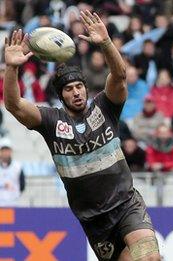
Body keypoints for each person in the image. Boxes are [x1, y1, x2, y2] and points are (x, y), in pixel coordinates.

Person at [3, 11, 161, 261]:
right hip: (94, 219)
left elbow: (119, 76)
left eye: (79, 87)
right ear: (61, 95)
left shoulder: (105, 108)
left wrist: (106, 43)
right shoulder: (51, 121)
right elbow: (14, 105)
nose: (76, 93)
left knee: (149, 256)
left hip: (126, 203)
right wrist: (11, 67)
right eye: (69, 89)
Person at [0, 138, 25, 206]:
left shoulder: (17, 167)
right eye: (3, 150)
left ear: (10, 151)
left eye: (7, 150)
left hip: (13, 204)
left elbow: (22, 185)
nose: (5, 152)